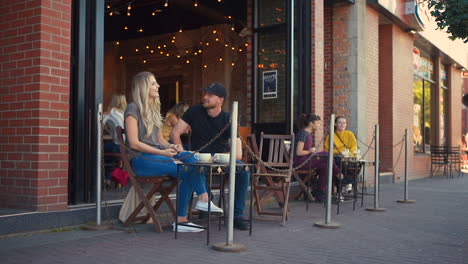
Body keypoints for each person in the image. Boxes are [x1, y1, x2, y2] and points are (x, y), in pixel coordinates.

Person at [124, 72, 223, 233]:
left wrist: (173, 147)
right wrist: (164, 154)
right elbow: (134, 143)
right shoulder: (133, 108)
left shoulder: (153, 110)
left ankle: (192, 211)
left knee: (191, 158)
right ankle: (201, 202)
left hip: (157, 156)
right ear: (143, 87)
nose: (158, 86)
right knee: (186, 168)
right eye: (153, 83)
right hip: (141, 160)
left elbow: (160, 140)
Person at [170, 82, 250, 230]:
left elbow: (238, 153)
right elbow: (175, 133)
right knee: (196, 167)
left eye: (210, 95)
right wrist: (181, 153)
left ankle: (237, 215)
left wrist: (217, 157)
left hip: (220, 161)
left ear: (221, 100)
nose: (205, 97)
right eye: (205, 94)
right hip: (198, 160)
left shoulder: (228, 118)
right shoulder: (194, 111)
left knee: (243, 170)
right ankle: (206, 203)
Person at [293, 114, 342, 202]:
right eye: (318, 123)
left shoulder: (308, 134)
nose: (319, 125)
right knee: (326, 154)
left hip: (306, 160)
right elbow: (298, 152)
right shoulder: (303, 134)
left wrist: (311, 152)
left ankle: (320, 192)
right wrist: (310, 151)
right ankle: (338, 173)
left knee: (325, 165)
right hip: (300, 162)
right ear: (311, 123)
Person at [324, 116, 358, 193]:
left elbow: (354, 147)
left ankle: (345, 183)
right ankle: (346, 183)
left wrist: (347, 154)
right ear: (335, 124)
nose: (342, 124)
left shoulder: (350, 134)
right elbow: (327, 149)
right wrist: (339, 152)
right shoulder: (331, 135)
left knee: (356, 164)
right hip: (336, 158)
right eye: (339, 123)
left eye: (344, 123)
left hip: (348, 157)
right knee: (338, 162)